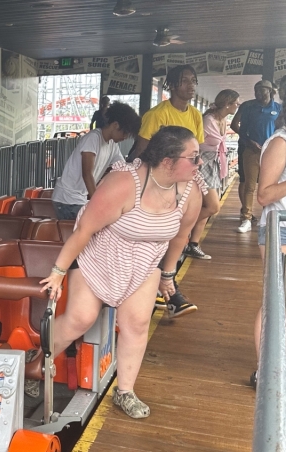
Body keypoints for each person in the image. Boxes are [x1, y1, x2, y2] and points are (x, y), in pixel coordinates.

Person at [40, 126, 203, 418]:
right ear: (168, 161)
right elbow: (84, 230)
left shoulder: (191, 192)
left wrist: (168, 275)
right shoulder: (123, 184)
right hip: (99, 256)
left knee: (138, 324)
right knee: (80, 318)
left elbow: (180, 237)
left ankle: (125, 391)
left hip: (144, 263)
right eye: (193, 158)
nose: (199, 163)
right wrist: (58, 271)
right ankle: (37, 363)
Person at [129, 64, 205, 315]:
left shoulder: (194, 115)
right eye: (185, 81)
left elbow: (197, 151)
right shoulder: (156, 114)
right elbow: (142, 152)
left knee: (204, 208)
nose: (191, 85)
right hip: (157, 179)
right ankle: (162, 287)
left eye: (193, 80)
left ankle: (167, 279)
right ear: (172, 85)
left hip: (183, 177)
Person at [251, 76, 286, 388]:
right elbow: (264, 194)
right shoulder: (281, 142)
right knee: (278, 302)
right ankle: (266, 370)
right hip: (282, 229)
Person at [53, 102, 141, 221]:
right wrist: (97, 203)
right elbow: (87, 174)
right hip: (66, 201)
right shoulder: (93, 138)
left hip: (78, 199)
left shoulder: (112, 145)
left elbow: (123, 169)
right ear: (115, 125)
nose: (125, 137)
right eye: (125, 133)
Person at [183, 89, 240, 258]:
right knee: (213, 206)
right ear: (228, 104)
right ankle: (180, 231)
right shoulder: (208, 121)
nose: (237, 106)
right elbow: (194, 143)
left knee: (205, 206)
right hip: (202, 163)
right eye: (236, 103)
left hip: (213, 163)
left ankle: (193, 244)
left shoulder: (223, 120)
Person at [231, 79, 281, 233]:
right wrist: (249, 142)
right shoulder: (249, 107)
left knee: (269, 186)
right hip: (251, 150)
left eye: (261, 90)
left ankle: (268, 218)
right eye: (256, 90)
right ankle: (246, 218)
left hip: (271, 152)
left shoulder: (278, 108)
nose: (258, 93)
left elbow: (281, 129)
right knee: (249, 185)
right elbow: (241, 128)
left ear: (270, 91)